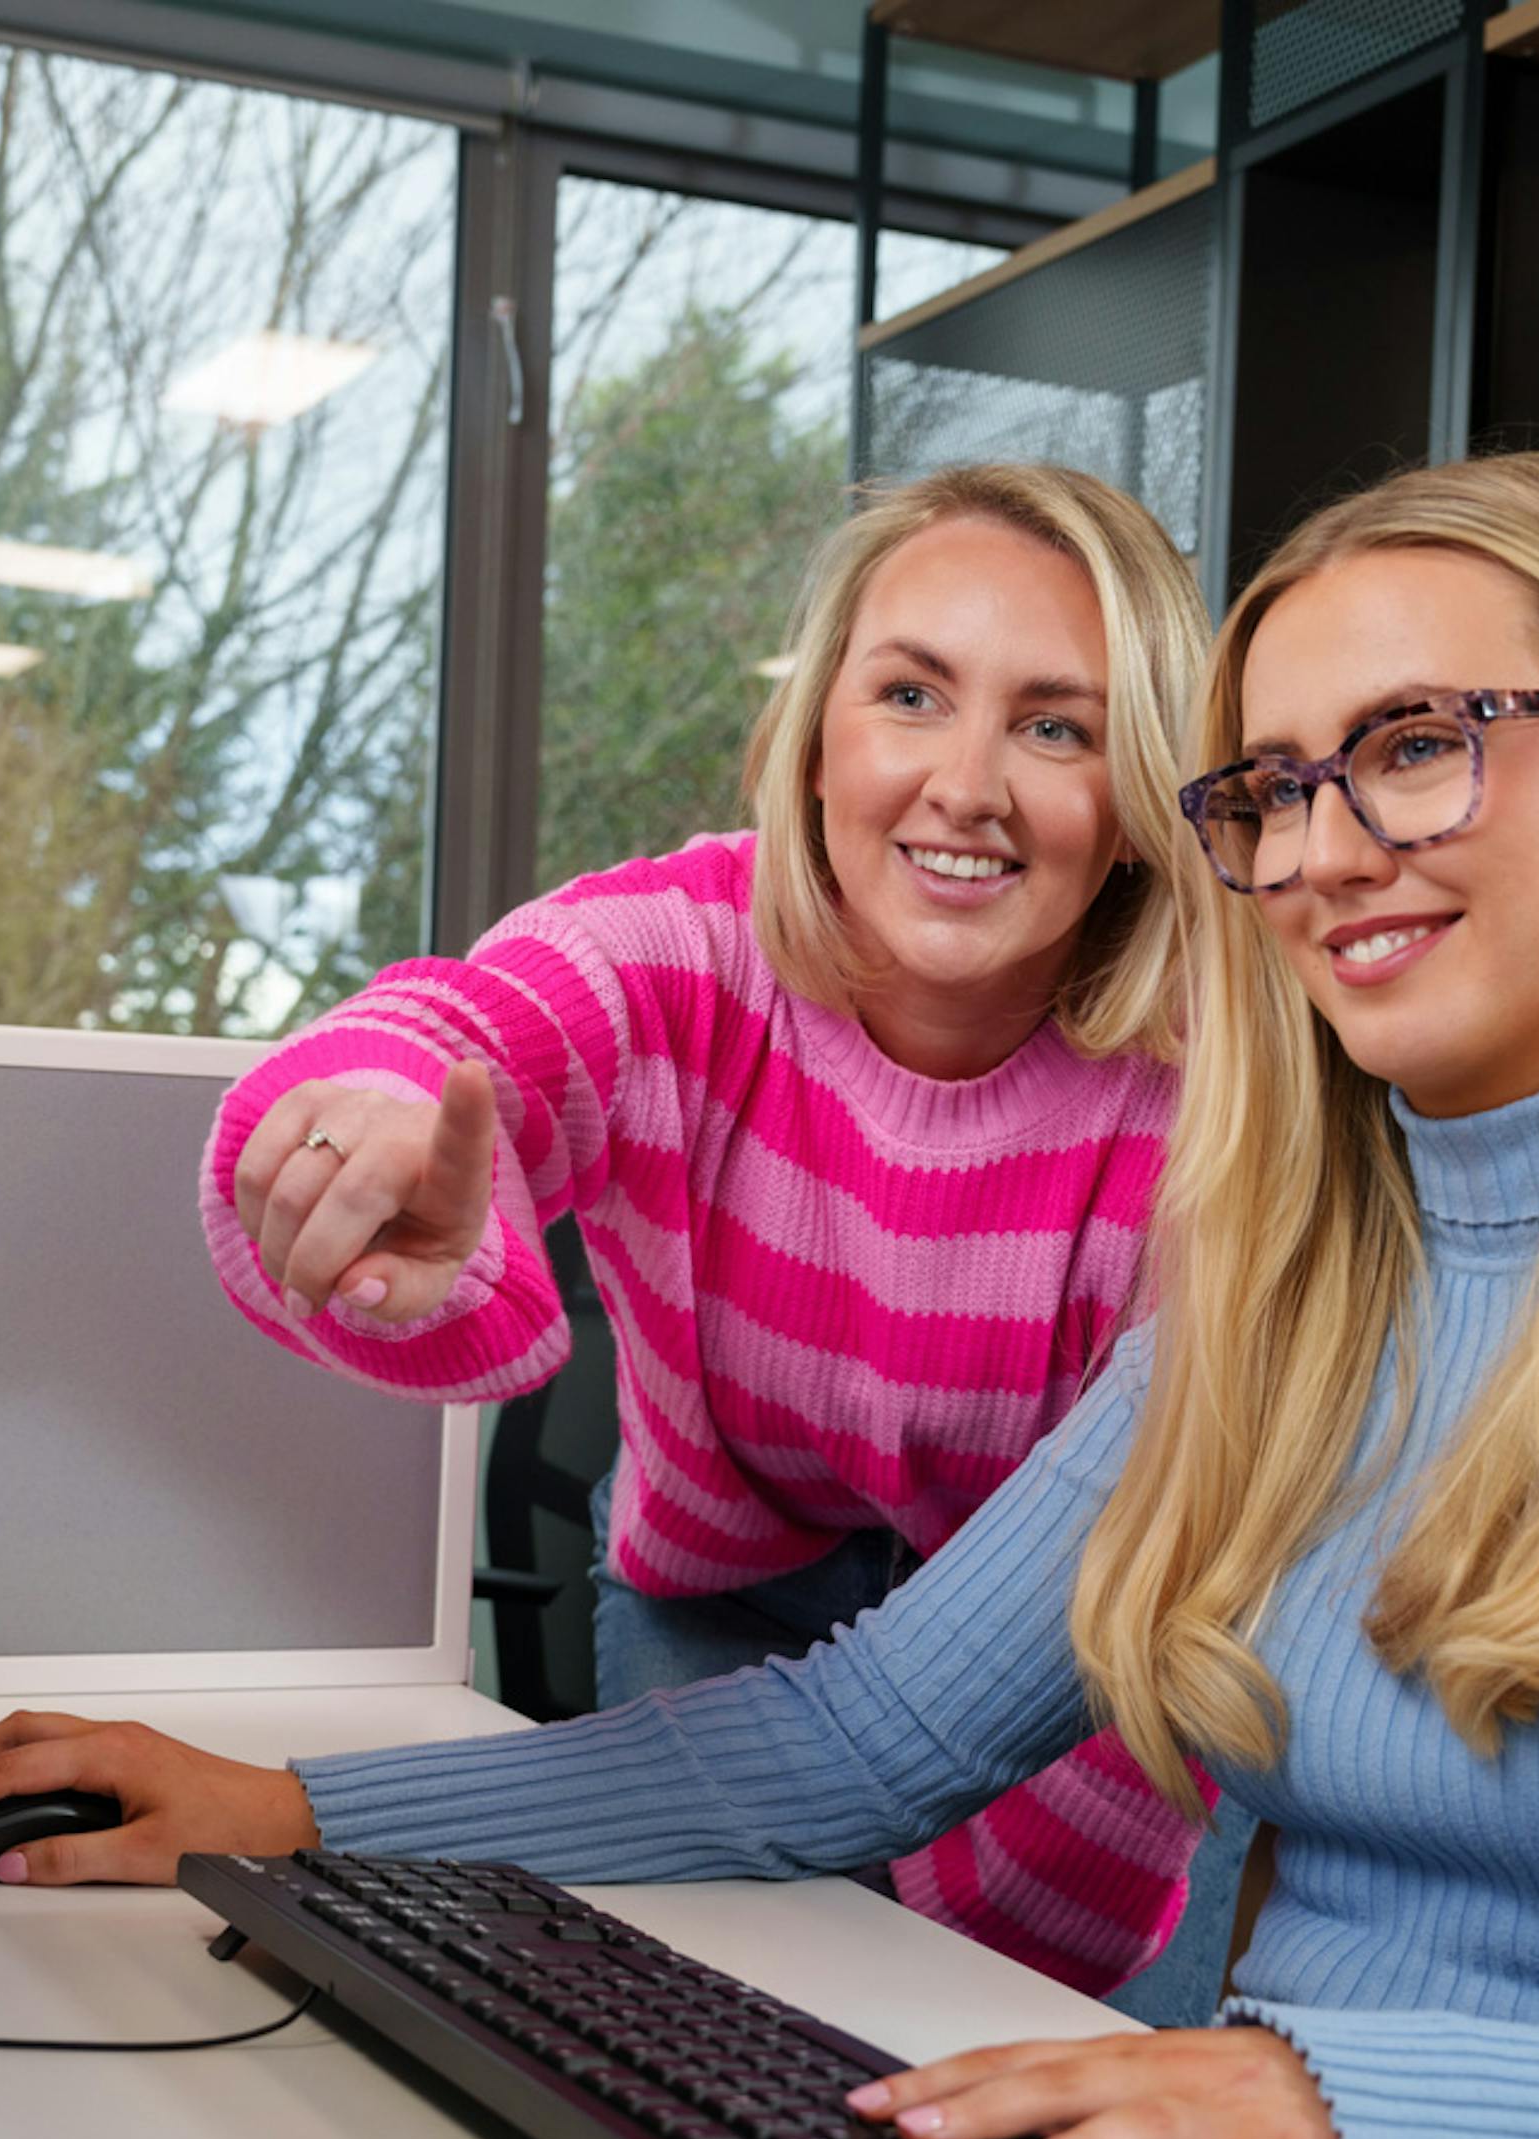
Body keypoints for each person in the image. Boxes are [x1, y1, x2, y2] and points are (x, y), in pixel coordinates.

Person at [0, 455, 1539, 2139]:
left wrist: (1323, 2093)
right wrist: (294, 1810)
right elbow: (853, 1743)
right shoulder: (1301, 1269)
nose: (1327, 851)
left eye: (1417, 749)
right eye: (1277, 788)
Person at [185, 461, 1248, 2014]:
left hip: (1061, 1644)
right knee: (681, 2014)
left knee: (998, 2064)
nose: (967, 783)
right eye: (910, 694)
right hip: (733, 1584)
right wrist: (372, 1121)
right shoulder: (683, 946)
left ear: (1141, 803)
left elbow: (1011, 1689)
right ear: (812, 734)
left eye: (1055, 726)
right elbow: (471, 1021)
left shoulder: (1212, 1084)